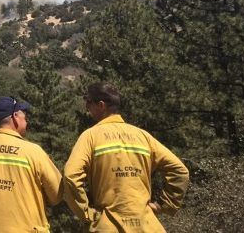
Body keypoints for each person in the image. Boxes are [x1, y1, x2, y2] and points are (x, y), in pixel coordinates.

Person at [64, 82, 189, 232]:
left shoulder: (90, 136)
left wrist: (87, 214)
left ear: (101, 105)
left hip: (108, 226)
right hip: (147, 226)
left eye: (88, 103)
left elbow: (71, 175)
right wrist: (164, 205)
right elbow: (180, 171)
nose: (87, 108)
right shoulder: (143, 136)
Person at [0, 96, 63, 233]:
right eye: (23, 115)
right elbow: (57, 194)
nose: (26, 119)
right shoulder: (33, 151)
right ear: (15, 116)